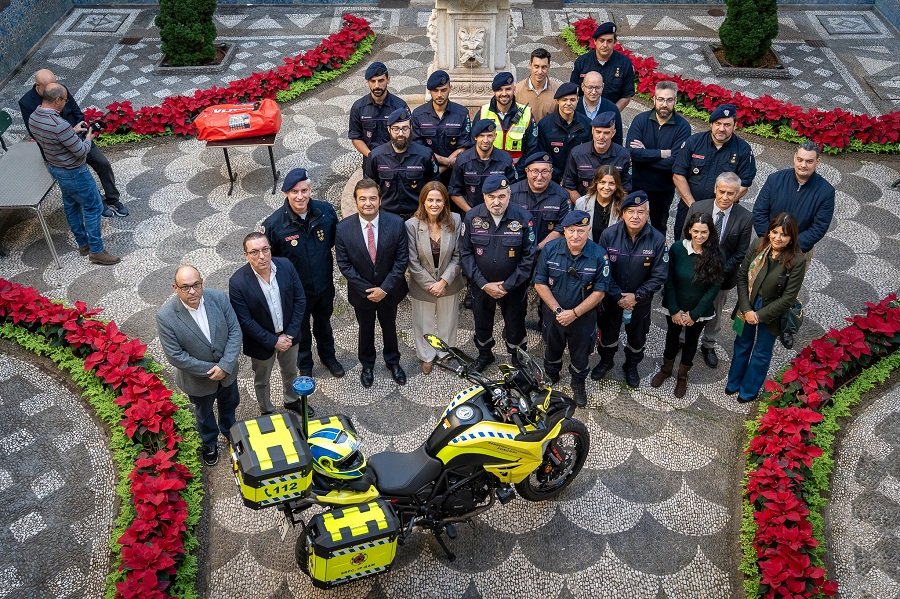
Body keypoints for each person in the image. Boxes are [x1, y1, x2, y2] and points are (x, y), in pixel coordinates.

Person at [263, 168, 345, 379]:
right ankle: (305, 364)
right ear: (286, 193)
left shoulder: (326, 212)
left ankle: (329, 357)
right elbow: (272, 262)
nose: (300, 196)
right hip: (296, 292)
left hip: (324, 285)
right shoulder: (274, 224)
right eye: (294, 192)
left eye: (304, 190)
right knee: (300, 331)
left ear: (310, 190)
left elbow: (335, 242)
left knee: (324, 325)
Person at [156, 265, 242, 466]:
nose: (192, 291)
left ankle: (229, 430)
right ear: (175, 288)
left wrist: (225, 365)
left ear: (202, 282)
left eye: (196, 285)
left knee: (230, 404)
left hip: (227, 372)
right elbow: (175, 356)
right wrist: (212, 370)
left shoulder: (218, 298)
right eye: (185, 287)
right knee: (204, 414)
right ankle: (209, 442)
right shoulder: (165, 316)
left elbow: (235, 330)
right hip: (198, 381)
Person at [27, 83, 120, 265]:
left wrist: (72, 131)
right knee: (94, 207)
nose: (66, 103)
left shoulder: (34, 117)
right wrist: (88, 138)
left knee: (71, 206)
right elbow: (81, 151)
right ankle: (97, 251)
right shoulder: (59, 124)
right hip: (74, 172)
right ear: (57, 100)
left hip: (56, 168)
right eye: (65, 100)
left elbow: (53, 138)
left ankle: (83, 244)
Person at [19, 68, 128, 218]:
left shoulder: (60, 90)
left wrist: (81, 132)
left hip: (79, 138)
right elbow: (35, 131)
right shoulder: (26, 102)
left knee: (103, 164)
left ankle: (113, 199)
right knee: (84, 177)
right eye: (49, 86)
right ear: (38, 86)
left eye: (55, 83)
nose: (54, 88)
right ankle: (99, 203)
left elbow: (77, 112)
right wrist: (69, 133)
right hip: (60, 150)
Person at [335, 179, 409, 388]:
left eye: (372, 198)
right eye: (363, 199)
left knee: (390, 327)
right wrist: (368, 290)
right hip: (362, 293)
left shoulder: (396, 223)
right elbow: (344, 264)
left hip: (389, 291)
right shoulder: (343, 229)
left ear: (380, 200)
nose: (368, 203)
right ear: (356, 201)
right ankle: (367, 365)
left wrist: (384, 289)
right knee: (365, 329)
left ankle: (393, 362)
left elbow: (401, 260)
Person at [726, 213, 807, 403]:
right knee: (741, 344)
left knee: (762, 352)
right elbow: (742, 277)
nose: (778, 238)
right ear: (769, 231)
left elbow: (788, 297)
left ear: (791, 238)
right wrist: (747, 309)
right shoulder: (758, 245)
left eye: (784, 235)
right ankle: (734, 381)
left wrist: (759, 315)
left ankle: (748, 390)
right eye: (775, 232)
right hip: (748, 303)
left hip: (772, 311)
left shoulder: (797, 260)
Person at [459, 175, 535, 372]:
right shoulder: (472, 217)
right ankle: (485, 354)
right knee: (481, 322)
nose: (496, 201)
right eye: (491, 196)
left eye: (501, 196)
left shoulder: (523, 218)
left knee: (515, 324)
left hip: (513, 286)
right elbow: (465, 253)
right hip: (481, 285)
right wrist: (483, 284)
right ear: (484, 196)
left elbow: (528, 257)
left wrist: (507, 285)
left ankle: (518, 358)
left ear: (509, 195)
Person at [533, 210, 610, 406]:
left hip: (583, 318)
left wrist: (574, 314)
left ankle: (578, 383)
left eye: (581, 231)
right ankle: (551, 375)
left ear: (588, 230)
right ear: (564, 231)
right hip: (554, 315)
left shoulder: (599, 255)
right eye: (571, 230)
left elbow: (600, 292)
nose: (576, 236)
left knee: (580, 355)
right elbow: (540, 283)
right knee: (552, 348)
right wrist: (559, 311)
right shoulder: (550, 249)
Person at [593, 191, 668, 388]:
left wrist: (637, 296)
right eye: (630, 211)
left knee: (637, 338)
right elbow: (602, 269)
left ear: (648, 214)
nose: (635, 216)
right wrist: (618, 295)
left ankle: (631, 366)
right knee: (607, 335)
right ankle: (606, 361)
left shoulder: (657, 239)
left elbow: (660, 275)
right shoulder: (609, 235)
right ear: (622, 213)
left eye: (640, 212)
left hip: (640, 302)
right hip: (612, 299)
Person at [229, 232, 306, 416]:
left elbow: (300, 300)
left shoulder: (286, 265)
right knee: (262, 380)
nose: (261, 256)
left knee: (290, 372)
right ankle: (266, 410)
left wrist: (290, 334)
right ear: (246, 255)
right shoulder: (237, 282)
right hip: (261, 342)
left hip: (289, 335)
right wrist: (274, 341)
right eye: (254, 252)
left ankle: (291, 400)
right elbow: (245, 321)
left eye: (265, 249)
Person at [650, 213, 723, 398]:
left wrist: (694, 314)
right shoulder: (677, 249)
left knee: (691, 341)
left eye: (704, 232)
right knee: (672, 337)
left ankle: (682, 376)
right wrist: (674, 310)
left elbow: (714, 288)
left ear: (710, 232)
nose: (699, 236)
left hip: (699, 310)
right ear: (689, 230)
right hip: (675, 306)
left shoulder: (717, 253)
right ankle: (666, 370)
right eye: (696, 231)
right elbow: (669, 280)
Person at [685, 172, 753, 368]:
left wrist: (718, 271)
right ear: (715, 189)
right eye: (722, 191)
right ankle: (683, 339)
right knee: (688, 304)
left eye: (730, 193)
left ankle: (708, 344)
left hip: (723, 277)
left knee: (715, 311)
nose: (725, 197)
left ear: (737, 194)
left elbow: (741, 252)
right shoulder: (698, 207)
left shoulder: (745, 218)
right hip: (694, 272)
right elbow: (685, 239)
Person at [672, 103, 756, 240]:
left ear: (735, 126)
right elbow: (678, 175)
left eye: (727, 125)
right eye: (718, 123)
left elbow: (744, 185)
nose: (722, 129)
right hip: (689, 208)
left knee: (715, 248)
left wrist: (720, 207)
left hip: (721, 216)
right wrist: (694, 207)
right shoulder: (693, 142)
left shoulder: (743, 150)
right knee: (683, 245)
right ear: (711, 124)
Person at [405, 182, 464, 374]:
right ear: (423, 201)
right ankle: (426, 356)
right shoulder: (411, 225)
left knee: (448, 321)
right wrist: (432, 285)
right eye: (430, 200)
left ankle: (445, 353)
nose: (434, 204)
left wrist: (444, 281)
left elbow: (459, 255)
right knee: (424, 322)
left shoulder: (455, 220)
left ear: (445, 202)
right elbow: (412, 261)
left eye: (439, 200)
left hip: (449, 283)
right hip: (422, 285)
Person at [625, 80, 691, 234]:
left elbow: (674, 162)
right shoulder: (640, 120)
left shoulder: (683, 127)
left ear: (675, 101)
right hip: (637, 186)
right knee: (631, 226)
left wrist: (644, 156)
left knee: (658, 229)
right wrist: (661, 153)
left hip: (663, 190)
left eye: (669, 100)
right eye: (660, 99)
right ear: (654, 99)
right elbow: (632, 153)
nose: (664, 104)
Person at [752, 141, 835, 255]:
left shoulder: (826, 192)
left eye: (809, 161)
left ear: (818, 162)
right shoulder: (775, 179)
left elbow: (819, 227)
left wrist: (790, 246)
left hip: (798, 252)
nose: (803, 165)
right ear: (795, 157)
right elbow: (759, 211)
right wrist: (771, 240)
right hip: (768, 244)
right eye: (800, 160)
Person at [364, 108, 438, 219]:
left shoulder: (425, 155)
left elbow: (434, 184)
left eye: (405, 128)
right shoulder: (376, 156)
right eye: (396, 129)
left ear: (410, 128)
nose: (400, 133)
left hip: (418, 216)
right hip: (387, 216)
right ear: (389, 129)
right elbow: (369, 187)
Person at [411, 70, 472, 187]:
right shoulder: (418, 114)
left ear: (450, 88)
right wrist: (447, 161)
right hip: (427, 173)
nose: (439, 95)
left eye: (443, 90)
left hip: (455, 174)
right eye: (435, 91)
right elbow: (418, 148)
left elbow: (465, 145)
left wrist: (444, 167)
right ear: (430, 91)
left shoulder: (462, 113)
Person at [473, 71, 539, 175]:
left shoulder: (526, 113)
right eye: (499, 89)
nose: (504, 94)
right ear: (494, 91)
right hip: (488, 173)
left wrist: (517, 173)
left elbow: (532, 148)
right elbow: (473, 143)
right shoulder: (482, 112)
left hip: (517, 173)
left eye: (508, 89)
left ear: (514, 89)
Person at [348, 62, 410, 170]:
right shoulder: (358, 107)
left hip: (396, 162)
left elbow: (408, 134)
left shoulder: (400, 106)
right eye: (373, 81)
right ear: (368, 82)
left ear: (388, 79)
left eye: (381, 80)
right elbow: (355, 137)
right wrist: (372, 156)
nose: (377, 85)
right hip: (371, 163)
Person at [562, 111, 632, 203]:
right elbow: (569, 186)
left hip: (613, 205)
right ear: (592, 131)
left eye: (606, 133)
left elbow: (625, 188)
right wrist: (583, 206)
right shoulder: (577, 153)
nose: (601, 137)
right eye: (598, 132)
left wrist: (613, 208)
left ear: (613, 133)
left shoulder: (623, 155)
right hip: (583, 205)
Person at [448, 119, 516, 213]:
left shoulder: (505, 160)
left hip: (499, 213)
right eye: (481, 136)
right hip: (471, 213)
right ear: (475, 137)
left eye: (489, 136)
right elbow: (454, 191)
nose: (485, 140)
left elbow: (514, 189)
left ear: (495, 136)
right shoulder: (463, 160)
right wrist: (472, 213)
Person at [509, 152, 570, 252]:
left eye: (545, 171)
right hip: (517, 250)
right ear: (527, 171)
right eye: (535, 171)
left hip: (549, 251)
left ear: (551, 172)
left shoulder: (562, 196)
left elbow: (562, 228)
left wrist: (537, 248)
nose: (539, 177)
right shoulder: (511, 193)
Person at [569, 22, 635, 111]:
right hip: (583, 113)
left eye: (609, 41)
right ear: (595, 41)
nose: (605, 45)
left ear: (615, 43)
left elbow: (626, 95)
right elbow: (574, 90)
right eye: (601, 40)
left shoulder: (624, 64)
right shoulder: (582, 62)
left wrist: (612, 113)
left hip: (610, 113)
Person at [536, 82, 591, 183]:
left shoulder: (587, 124)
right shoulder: (545, 125)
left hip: (579, 179)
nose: (568, 103)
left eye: (572, 100)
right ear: (557, 101)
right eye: (564, 100)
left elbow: (589, 155)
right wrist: (558, 177)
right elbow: (542, 155)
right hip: (552, 180)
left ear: (578, 100)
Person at [575, 165, 626, 243]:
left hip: (614, 249)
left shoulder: (624, 204)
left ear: (616, 186)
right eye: (603, 182)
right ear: (596, 183)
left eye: (611, 183)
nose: (606, 187)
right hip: (589, 249)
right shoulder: (581, 203)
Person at [573, 72, 623, 146]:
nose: (594, 92)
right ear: (582, 86)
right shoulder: (574, 106)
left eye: (597, 88)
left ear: (602, 87)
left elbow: (617, 140)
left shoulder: (612, 109)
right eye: (590, 87)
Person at [514, 48, 560, 122]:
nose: (540, 71)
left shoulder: (557, 91)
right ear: (530, 65)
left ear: (549, 66)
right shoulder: (517, 91)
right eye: (536, 66)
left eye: (543, 67)